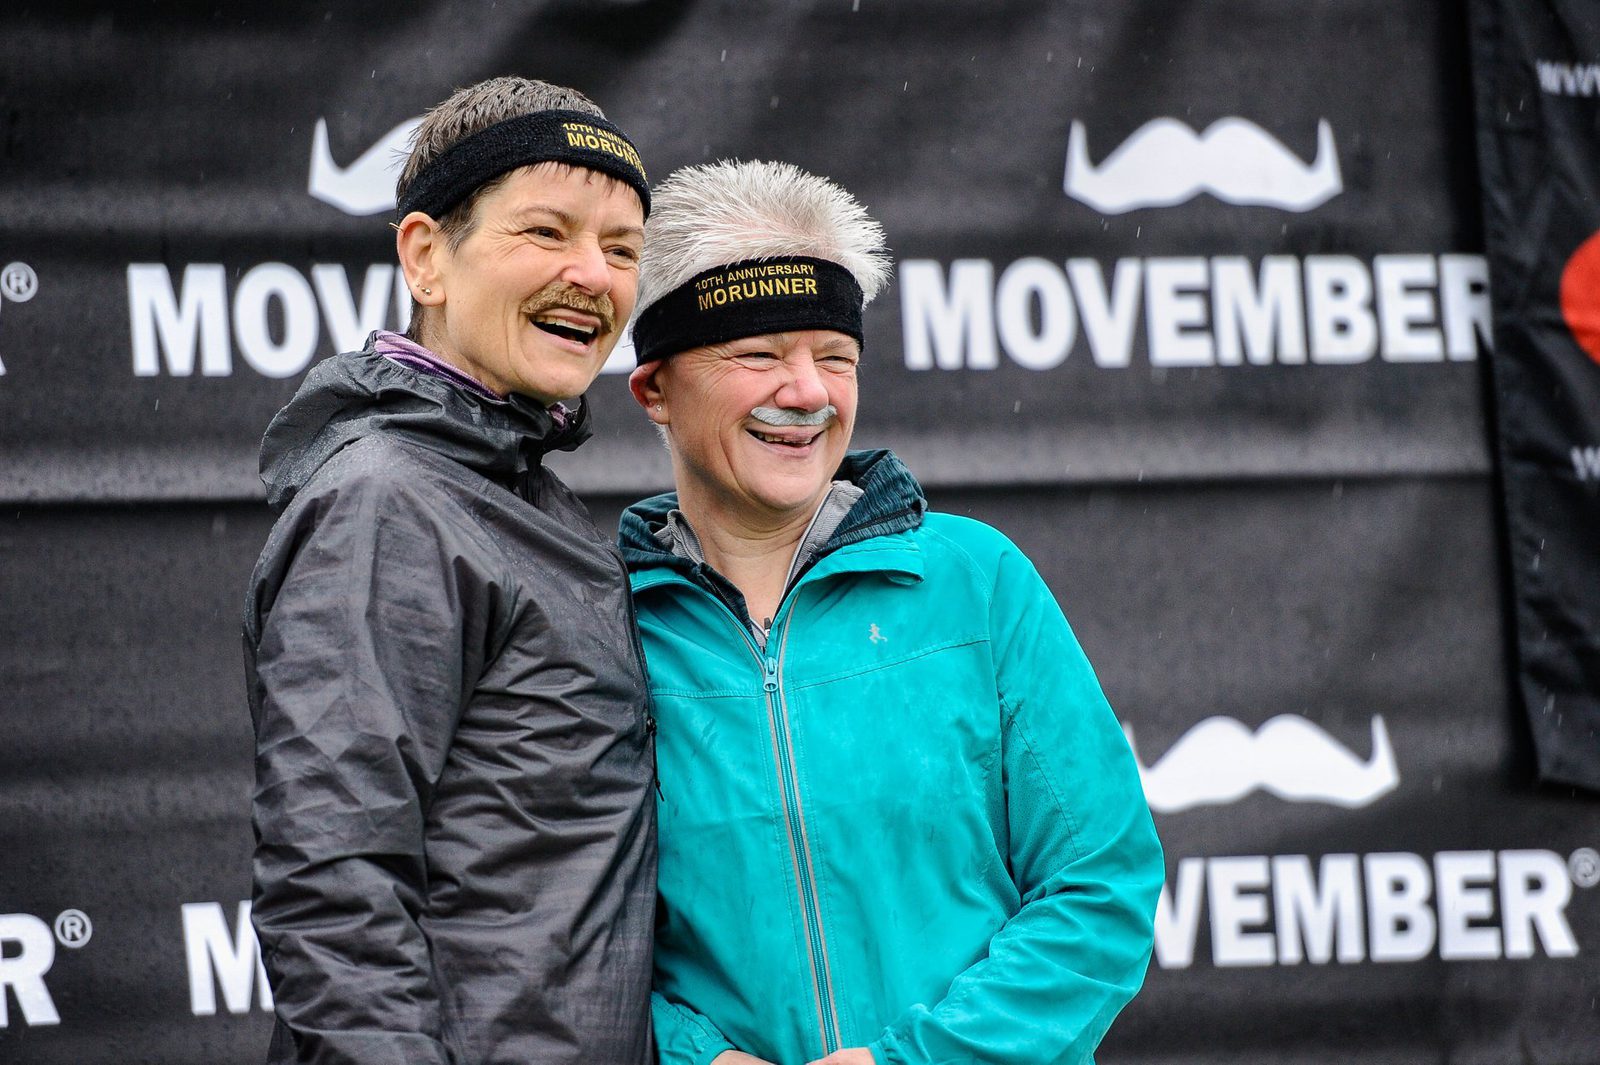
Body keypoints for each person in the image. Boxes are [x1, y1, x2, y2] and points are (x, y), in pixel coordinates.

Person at [619, 160, 1164, 1065]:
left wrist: (913, 1060)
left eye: (834, 356)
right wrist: (692, 1057)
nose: (806, 392)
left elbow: (1100, 883)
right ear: (656, 391)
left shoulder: (975, 581)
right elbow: (568, 932)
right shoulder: (598, 627)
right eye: (758, 354)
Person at [242, 77, 656, 1065]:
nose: (593, 276)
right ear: (427, 257)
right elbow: (335, 898)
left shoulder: (520, 489)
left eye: (622, 248)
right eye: (546, 233)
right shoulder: (385, 502)